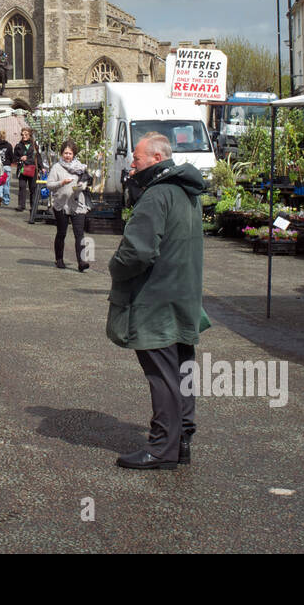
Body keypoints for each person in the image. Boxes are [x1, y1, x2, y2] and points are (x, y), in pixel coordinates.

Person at [108, 132, 210, 471]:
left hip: (157, 298)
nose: (132, 166)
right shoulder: (187, 192)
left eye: (136, 160)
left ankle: (162, 447)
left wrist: (114, 266)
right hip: (183, 294)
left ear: (155, 158)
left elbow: (137, 251)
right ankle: (181, 441)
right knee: (182, 370)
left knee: (163, 375)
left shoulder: (157, 195)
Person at [45, 140, 91, 270]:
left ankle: (82, 262)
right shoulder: (56, 167)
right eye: (65, 153)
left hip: (77, 204)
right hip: (61, 204)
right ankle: (59, 259)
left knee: (79, 234)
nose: (67, 156)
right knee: (61, 233)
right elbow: (49, 185)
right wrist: (61, 183)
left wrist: (82, 186)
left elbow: (86, 182)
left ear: (74, 154)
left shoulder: (81, 168)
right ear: (61, 153)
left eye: (70, 153)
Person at [12, 127, 40, 212]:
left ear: (30, 135)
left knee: (33, 188)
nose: (24, 136)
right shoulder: (18, 145)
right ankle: (21, 205)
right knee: (22, 186)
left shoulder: (34, 145)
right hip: (22, 168)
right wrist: (20, 158)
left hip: (32, 169)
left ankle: (33, 206)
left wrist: (41, 168)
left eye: (26, 134)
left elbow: (38, 157)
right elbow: (14, 158)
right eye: (22, 134)